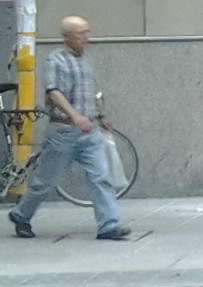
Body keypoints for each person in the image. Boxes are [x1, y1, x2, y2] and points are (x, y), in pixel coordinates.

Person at [7, 15, 130, 241]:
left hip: (89, 131)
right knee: (45, 182)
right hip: (63, 133)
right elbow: (54, 93)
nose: (86, 37)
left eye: (86, 32)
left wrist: (100, 115)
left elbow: (90, 92)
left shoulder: (85, 60)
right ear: (66, 37)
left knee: (100, 177)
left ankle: (108, 226)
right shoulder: (56, 60)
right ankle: (21, 215)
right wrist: (75, 116)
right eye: (80, 33)